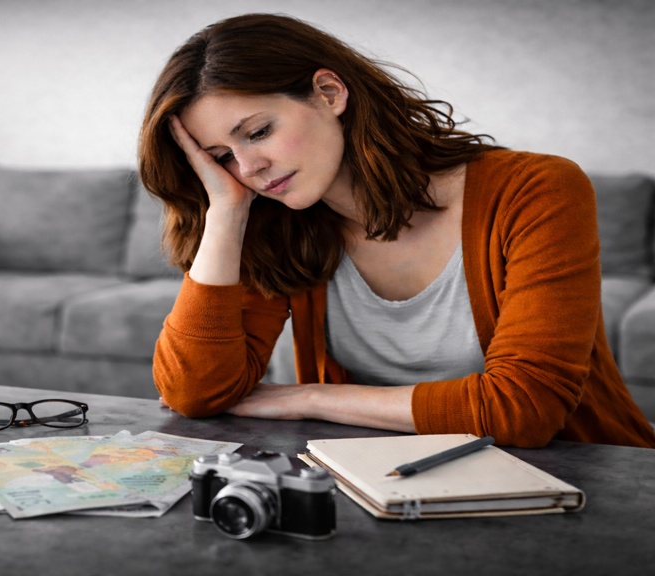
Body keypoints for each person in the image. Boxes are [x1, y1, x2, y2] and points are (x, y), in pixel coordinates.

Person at [137, 13, 655, 448]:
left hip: (580, 484)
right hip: (379, 487)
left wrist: (309, 397)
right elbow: (195, 393)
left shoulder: (535, 190)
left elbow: (524, 409)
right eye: (222, 157)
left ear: (329, 92)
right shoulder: (278, 224)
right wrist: (226, 213)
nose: (248, 168)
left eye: (258, 132)